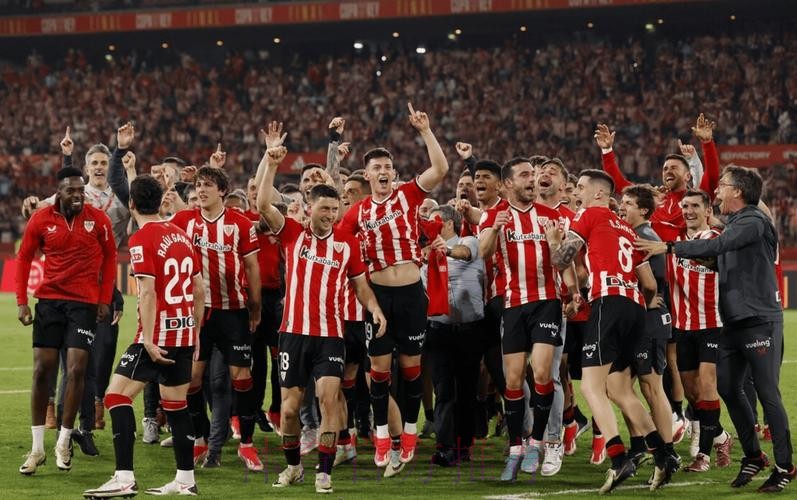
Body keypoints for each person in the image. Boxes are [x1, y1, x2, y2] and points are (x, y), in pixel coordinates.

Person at [637, 165, 794, 493]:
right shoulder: (736, 224)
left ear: (737, 191)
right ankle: (753, 455)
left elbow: (720, 247)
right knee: (728, 388)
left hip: (759, 321)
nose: (717, 190)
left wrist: (670, 248)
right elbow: (720, 259)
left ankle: (785, 466)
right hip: (733, 322)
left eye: (722, 186)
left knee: (767, 393)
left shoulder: (753, 220)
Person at [257, 145, 386, 493]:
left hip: (330, 335)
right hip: (293, 334)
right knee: (289, 411)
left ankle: (324, 472)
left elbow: (360, 286)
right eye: (324, 208)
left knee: (329, 400)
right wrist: (271, 163)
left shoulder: (346, 244)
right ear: (309, 207)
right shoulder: (293, 233)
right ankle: (294, 467)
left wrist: (374, 308)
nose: (330, 214)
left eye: (334, 208)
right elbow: (264, 204)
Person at [545, 169, 675, 493]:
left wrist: (554, 242)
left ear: (599, 194)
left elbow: (561, 259)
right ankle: (663, 454)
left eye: (580, 187)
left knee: (592, 387)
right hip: (636, 309)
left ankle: (618, 458)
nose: (577, 192)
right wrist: (641, 303)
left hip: (608, 304)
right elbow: (649, 284)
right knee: (620, 390)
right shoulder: (627, 229)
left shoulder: (589, 214)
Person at [337, 103, 449, 473]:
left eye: (388, 167)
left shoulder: (407, 195)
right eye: (377, 168)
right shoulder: (357, 212)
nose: (383, 172)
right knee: (379, 373)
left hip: (412, 294)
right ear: (367, 176)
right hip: (380, 298)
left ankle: (411, 432)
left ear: (394, 173)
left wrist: (425, 131)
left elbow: (440, 169)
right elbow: (337, 240)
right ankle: (383, 437)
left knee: (412, 369)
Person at [82, 174, 204, 497]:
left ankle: (123, 477)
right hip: (184, 334)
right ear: (159, 201)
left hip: (157, 336)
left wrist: (147, 339)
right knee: (176, 405)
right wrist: (196, 331)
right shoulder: (181, 235)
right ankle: (185, 480)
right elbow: (199, 288)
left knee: (115, 397)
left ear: (131, 204)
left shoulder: (141, 240)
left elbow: (147, 292)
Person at [478, 158, 573, 481]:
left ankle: (538, 443)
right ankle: (516, 447)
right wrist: (495, 227)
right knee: (513, 380)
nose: (532, 179)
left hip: (547, 302)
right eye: (524, 175)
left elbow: (563, 262)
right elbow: (483, 252)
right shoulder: (494, 216)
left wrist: (572, 290)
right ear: (508, 184)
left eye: (533, 174)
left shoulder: (552, 216)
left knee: (543, 373)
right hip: (514, 305)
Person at [17, 166, 116, 474]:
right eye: (70, 190)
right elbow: (24, 258)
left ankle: (63, 441)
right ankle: (37, 449)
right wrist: (22, 302)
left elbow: (110, 257)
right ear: (58, 192)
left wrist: (104, 298)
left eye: (80, 190)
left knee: (76, 370)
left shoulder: (99, 220)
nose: (77, 195)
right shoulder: (41, 219)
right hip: (49, 302)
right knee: (41, 371)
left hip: (83, 305)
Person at [170, 164, 263, 471]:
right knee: (192, 380)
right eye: (198, 185)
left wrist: (255, 307)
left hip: (233, 312)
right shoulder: (184, 221)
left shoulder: (240, 223)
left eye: (208, 185)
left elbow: (252, 266)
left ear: (222, 191)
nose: (201, 190)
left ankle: (246, 444)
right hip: (198, 314)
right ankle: (200, 438)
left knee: (242, 378)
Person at [657, 189, 732, 472]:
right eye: (685, 206)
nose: (688, 211)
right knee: (692, 393)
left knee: (707, 385)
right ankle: (722, 437)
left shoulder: (715, 239)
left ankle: (703, 456)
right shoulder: (674, 240)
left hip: (711, 324)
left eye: (694, 206)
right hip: (682, 327)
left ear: (708, 211)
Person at [617, 185, 679, 470]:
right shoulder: (632, 234)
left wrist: (647, 300)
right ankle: (640, 446)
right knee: (621, 387)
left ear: (643, 210)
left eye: (628, 203)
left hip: (651, 320)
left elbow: (656, 279)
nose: (622, 206)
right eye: (622, 201)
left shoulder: (645, 237)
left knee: (652, 387)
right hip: (637, 319)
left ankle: (668, 450)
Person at [423, 205, 484, 466]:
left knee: (467, 390)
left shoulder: (469, 241)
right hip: (438, 330)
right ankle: (445, 446)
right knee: (444, 390)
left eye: (433, 221)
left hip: (470, 330)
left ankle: (464, 444)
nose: (428, 226)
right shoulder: (426, 254)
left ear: (448, 224)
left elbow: (465, 253)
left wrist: (444, 250)